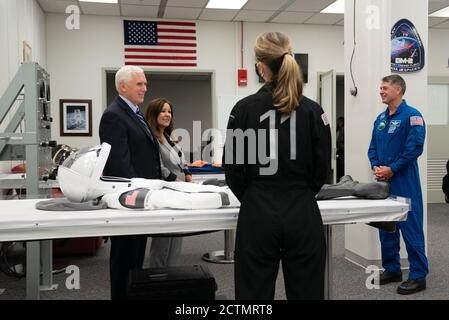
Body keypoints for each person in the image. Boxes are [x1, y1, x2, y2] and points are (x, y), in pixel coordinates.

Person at [223, 32, 331, 299]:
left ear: (260, 66)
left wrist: (253, 196)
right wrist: (301, 193)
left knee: (253, 295)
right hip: (302, 212)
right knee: (308, 292)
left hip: (258, 212)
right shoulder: (314, 112)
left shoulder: (242, 110)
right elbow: (322, 170)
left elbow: (233, 170)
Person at [99, 65, 176, 300]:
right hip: (130, 201)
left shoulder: (135, 112)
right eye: (140, 84)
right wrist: (138, 194)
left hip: (142, 199)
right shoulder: (114, 115)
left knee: (135, 260)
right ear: (123, 86)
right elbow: (119, 165)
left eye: (145, 83)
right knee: (124, 261)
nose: (145, 87)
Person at [368, 74, 428, 294]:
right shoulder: (381, 119)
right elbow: (372, 147)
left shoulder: (413, 116)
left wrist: (392, 169)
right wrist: (376, 166)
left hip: (405, 182)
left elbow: (414, 149)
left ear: (398, 90)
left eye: (384, 88)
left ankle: (418, 275)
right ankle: (392, 269)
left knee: (410, 228)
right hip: (383, 184)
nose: (381, 91)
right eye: (380, 87)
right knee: (386, 227)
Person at [144, 98, 192, 268]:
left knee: (177, 236)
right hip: (165, 191)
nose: (167, 114)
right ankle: (157, 276)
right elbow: (158, 164)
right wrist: (175, 180)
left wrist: (186, 173)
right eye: (163, 111)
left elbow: (181, 158)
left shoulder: (168, 136)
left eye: (169, 111)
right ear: (154, 114)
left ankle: (172, 274)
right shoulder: (150, 137)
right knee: (163, 239)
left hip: (178, 191)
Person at [336, 117, 345, 181]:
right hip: (338, 151)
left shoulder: (343, 130)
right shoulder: (337, 130)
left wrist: (342, 148)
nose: (338, 123)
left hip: (341, 151)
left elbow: (340, 141)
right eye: (338, 122)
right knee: (338, 167)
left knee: (341, 167)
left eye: (340, 122)